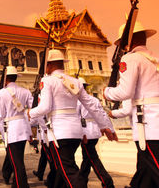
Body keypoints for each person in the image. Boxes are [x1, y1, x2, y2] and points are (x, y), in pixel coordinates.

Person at [29, 49, 117, 188]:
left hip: (59, 133)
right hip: (76, 132)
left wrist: (30, 113)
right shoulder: (75, 82)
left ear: (49, 65)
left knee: (68, 170)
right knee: (62, 169)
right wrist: (106, 127)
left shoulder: (47, 80)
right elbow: (91, 105)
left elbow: (45, 107)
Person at [104, 21, 159, 188]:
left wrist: (107, 92)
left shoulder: (130, 59)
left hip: (147, 126)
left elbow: (125, 92)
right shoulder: (154, 60)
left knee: (154, 169)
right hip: (153, 123)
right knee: (145, 171)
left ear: (128, 42)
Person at [0, 66, 33, 188]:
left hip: (13, 130)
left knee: (17, 163)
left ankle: (22, 185)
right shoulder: (26, 91)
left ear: (5, 79)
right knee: (18, 159)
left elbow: (1, 114)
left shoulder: (1, 93)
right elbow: (31, 109)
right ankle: (16, 184)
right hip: (24, 127)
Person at [77, 77, 114, 188]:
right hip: (95, 130)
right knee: (87, 159)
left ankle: (107, 182)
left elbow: (77, 118)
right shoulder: (94, 99)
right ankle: (82, 183)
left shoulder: (78, 101)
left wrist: (80, 133)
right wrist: (109, 129)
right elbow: (103, 115)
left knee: (93, 159)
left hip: (85, 132)